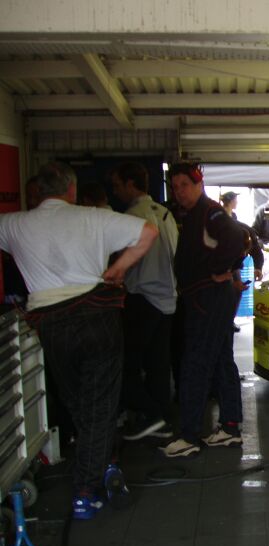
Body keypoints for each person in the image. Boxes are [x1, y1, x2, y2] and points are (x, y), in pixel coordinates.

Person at [0, 161, 157, 520]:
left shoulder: (14, 224)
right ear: (71, 189)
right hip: (96, 317)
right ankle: (87, 490)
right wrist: (119, 269)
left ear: (39, 190)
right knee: (100, 404)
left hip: (51, 324)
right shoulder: (93, 218)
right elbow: (148, 232)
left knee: (77, 401)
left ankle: (103, 465)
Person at [161, 162, 245, 458]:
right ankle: (230, 428)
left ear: (199, 184)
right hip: (209, 298)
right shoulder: (196, 214)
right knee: (221, 360)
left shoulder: (210, 212)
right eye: (174, 186)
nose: (179, 191)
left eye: (184, 184)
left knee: (195, 364)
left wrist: (217, 269)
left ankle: (189, 435)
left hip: (207, 299)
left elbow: (237, 237)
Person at [111, 162, 179, 441]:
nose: (115, 192)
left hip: (143, 298)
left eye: (117, 186)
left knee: (125, 364)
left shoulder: (132, 217)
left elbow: (124, 262)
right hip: (169, 298)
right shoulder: (165, 214)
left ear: (130, 185)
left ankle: (152, 414)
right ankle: (163, 418)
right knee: (159, 364)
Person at [219, 191, 264, 332]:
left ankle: (228, 320)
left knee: (235, 290)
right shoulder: (220, 223)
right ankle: (224, 320)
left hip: (232, 265)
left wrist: (258, 266)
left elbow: (255, 248)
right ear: (231, 201)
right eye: (236, 200)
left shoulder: (242, 227)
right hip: (219, 265)